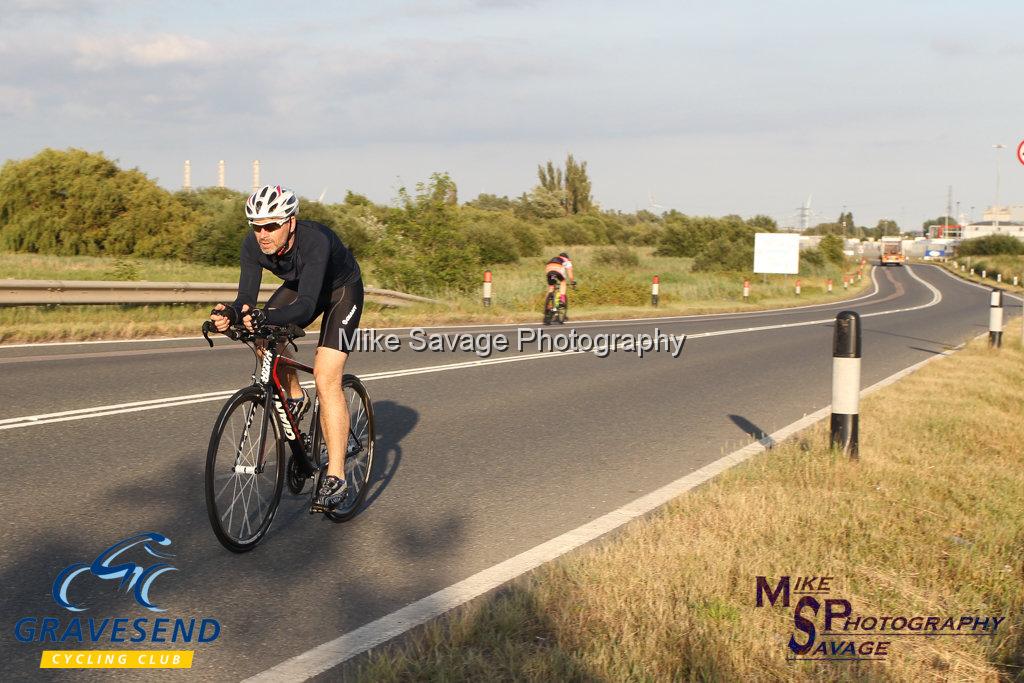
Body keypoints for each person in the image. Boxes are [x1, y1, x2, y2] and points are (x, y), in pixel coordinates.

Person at [208, 184, 363, 513]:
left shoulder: (315, 241)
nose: (262, 234)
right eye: (256, 226)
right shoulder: (253, 245)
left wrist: (264, 315)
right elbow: (246, 301)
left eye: (271, 226)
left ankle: (336, 476)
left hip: (341, 292)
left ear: (291, 222)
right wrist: (231, 314)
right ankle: (294, 396)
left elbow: (306, 307)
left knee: (325, 376)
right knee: (262, 337)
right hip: (300, 287)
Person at [544, 251, 576, 321]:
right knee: (563, 281)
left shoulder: (554, 258)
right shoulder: (567, 260)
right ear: (567, 257)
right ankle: (562, 300)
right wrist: (572, 282)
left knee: (551, 287)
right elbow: (570, 274)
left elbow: (549, 266)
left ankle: (548, 306)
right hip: (557, 269)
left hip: (549, 269)